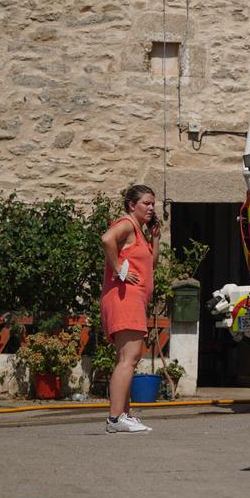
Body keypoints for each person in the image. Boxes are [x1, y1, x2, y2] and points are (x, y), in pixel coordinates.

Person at [100, 184, 161, 434]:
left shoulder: (139, 230)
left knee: (127, 358)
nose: (151, 207)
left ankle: (124, 414)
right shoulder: (126, 223)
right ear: (131, 205)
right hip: (125, 299)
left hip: (133, 300)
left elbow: (151, 263)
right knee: (130, 357)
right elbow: (106, 239)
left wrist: (155, 237)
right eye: (146, 203)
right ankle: (115, 418)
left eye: (153, 203)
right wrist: (118, 269)